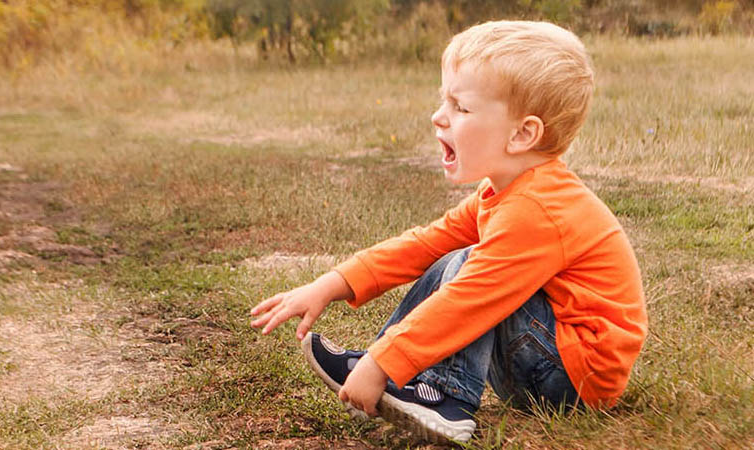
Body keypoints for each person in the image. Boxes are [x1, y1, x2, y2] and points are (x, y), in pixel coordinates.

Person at [250, 20, 648, 444]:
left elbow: (472, 298)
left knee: (469, 267)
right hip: (544, 359)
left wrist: (384, 364)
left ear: (522, 134)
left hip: (572, 377)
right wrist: (333, 283)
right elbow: (425, 244)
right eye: (445, 100)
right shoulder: (504, 191)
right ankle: (401, 379)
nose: (439, 116)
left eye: (461, 107)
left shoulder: (539, 209)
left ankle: (445, 398)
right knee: (449, 257)